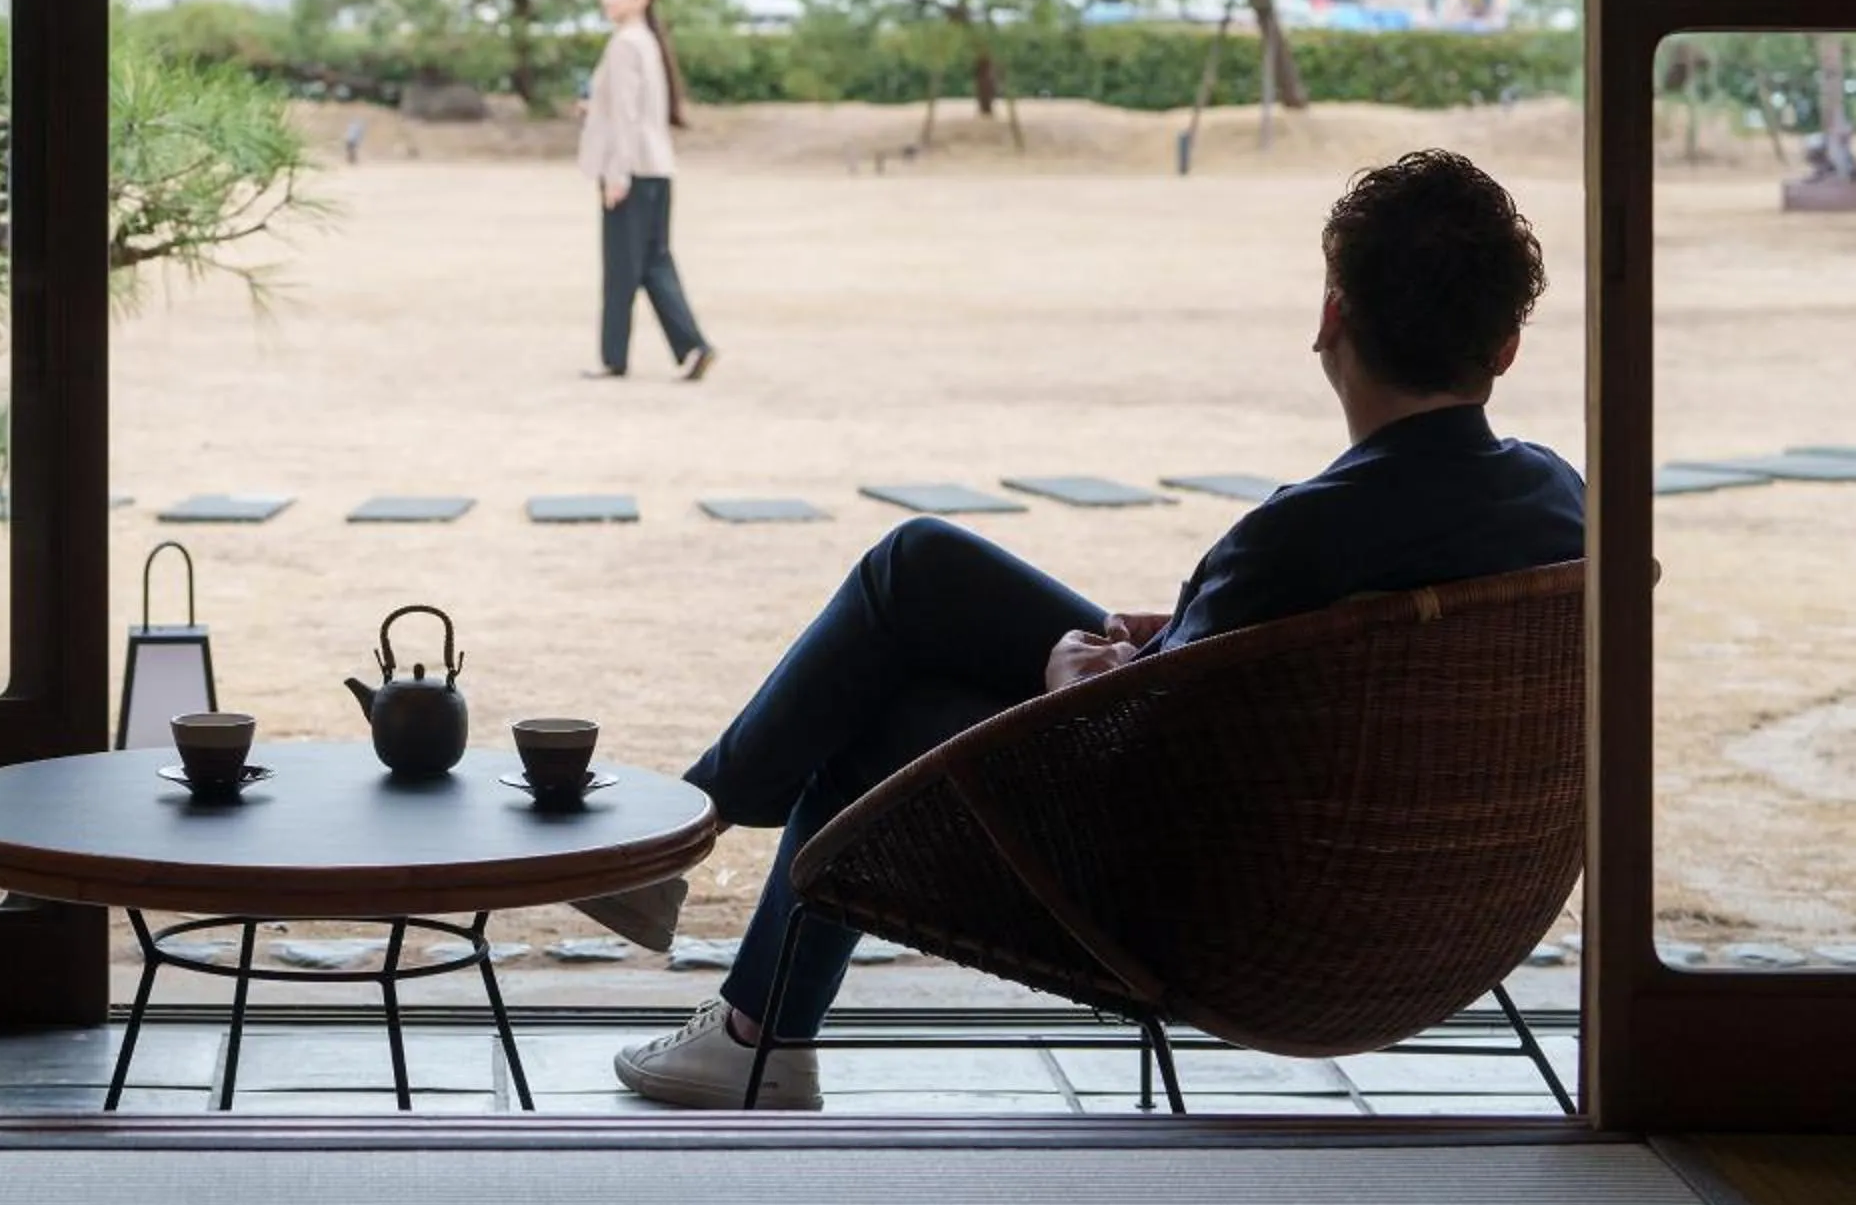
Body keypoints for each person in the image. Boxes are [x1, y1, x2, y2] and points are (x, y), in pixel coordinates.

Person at [607, 149, 1586, 1109]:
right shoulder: (1561, 504)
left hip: (1204, 896)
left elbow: (1139, 758)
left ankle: (711, 929)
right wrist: (1162, 649)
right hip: (1437, 899)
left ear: (1333, 316)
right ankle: (728, 965)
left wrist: (1075, 686)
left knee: (890, 696)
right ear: (1504, 348)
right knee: (921, 566)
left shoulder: (1292, 540)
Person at [575, 0, 717, 381]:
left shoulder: (624, 44)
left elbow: (627, 116)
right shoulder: (648, 42)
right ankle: (691, 345)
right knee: (654, 262)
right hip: (657, 166)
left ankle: (614, 356)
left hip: (632, 167)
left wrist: (617, 173)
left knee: (622, 266)